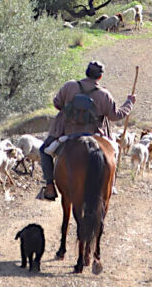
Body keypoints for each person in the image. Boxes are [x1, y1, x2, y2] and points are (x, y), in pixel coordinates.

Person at [39, 61, 135, 201]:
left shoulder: (69, 86)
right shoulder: (104, 94)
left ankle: (49, 186)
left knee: (44, 150)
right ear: (100, 77)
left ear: (86, 72)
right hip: (94, 135)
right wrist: (129, 102)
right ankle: (110, 185)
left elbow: (57, 103)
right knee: (112, 153)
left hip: (66, 133)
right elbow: (115, 116)